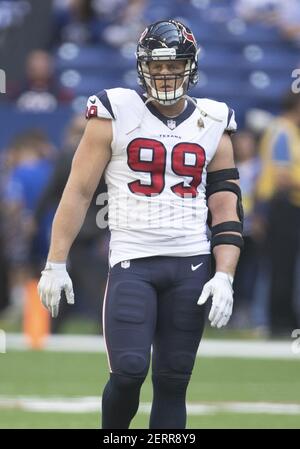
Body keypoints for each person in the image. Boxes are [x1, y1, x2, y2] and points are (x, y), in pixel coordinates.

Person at [37, 19, 243, 429]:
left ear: (191, 66)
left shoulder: (215, 121)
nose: (165, 74)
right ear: (142, 67)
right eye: (157, 65)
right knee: (129, 371)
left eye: (174, 65)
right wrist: (55, 262)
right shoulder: (115, 110)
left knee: (173, 381)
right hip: (134, 259)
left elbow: (227, 209)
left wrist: (225, 275)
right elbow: (77, 191)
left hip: (191, 263)